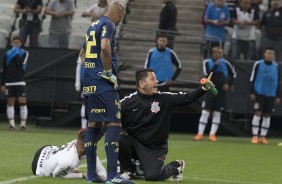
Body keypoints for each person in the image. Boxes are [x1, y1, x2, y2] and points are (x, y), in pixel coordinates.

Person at [118, 68, 211, 182]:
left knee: (153, 177)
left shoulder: (165, 98)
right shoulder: (127, 102)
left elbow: (186, 98)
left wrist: (202, 89)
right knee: (118, 138)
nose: (156, 81)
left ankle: (176, 166)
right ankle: (129, 170)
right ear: (142, 83)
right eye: (152, 79)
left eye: (155, 79)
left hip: (155, 148)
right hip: (135, 144)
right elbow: (111, 117)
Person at [82, 1, 134, 183]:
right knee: (114, 123)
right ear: (119, 14)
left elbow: (82, 55)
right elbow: (105, 47)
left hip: (89, 84)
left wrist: (90, 73)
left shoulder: (93, 25)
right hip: (103, 84)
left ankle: (91, 176)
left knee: (93, 124)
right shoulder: (108, 24)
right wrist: (107, 72)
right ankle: (112, 176)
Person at [194, 47, 236, 141]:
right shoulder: (207, 62)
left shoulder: (226, 63)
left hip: (220, 90)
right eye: (217, 52)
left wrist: (228, 84)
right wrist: (215, 66)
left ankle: (212, 134)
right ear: (213, 53)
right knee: (205, 112)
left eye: (220, 53)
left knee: (217, 112)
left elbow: (233, 75)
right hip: (209, 89)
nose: (219, 54)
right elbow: (206, 75)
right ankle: (200, 133)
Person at [31, 131, 107, 180]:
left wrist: (103, 177)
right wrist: (83, 175)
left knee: (74, 169)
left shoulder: (81, 146)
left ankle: (71, 169)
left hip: (50, 149)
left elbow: (102, 172)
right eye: (93, 145)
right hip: (38, 164)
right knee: (69, 168)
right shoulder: (67, 161)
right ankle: (70, 169)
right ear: (82, 148)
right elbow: (56, 175)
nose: (95, 147)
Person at [249, 47, 280, 144]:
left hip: (271, 94)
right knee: (258, 113)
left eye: (272, 53)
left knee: (267, 115)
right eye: (268, 53)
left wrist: (278, 95)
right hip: (259, 93)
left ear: (274, 56)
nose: (270, 55)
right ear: (264, 54)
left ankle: (263, 137)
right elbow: (252, 79)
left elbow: (278, 82)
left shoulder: (276, 66)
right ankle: (255, 136)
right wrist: (252, 92)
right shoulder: (258, 64)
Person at [0, 36, 29, 131]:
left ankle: (23, 125)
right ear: (12, 43)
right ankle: (12, 125)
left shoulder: (24, 53)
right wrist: (2, 84)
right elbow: (3, 70)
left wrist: (16, 54)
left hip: (20, 81)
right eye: (14, 43)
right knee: (10, 103)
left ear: (20, 43)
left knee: (22, 102)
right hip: (9, 82)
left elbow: (21, 65)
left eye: (18, 43)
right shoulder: (7, 54)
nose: (16, 45)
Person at [75, 49, 87, 132]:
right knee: (85, 104)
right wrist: (77, 83)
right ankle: (83, 127)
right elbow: (79, 67)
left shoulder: (101, 49)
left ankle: (101, 128)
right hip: (86, 82)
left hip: (98, 82)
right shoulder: (84, 49)